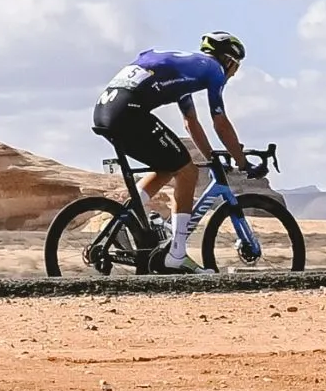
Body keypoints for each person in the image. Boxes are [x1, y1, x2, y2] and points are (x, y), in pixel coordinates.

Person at [94, 33, 251, 271]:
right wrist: (241, 160)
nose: (234, 74)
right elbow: (220, 121)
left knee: (168, 167)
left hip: (105, 111)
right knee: (187, 172)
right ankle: (176, 255)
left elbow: (191, 122)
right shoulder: (213, 70)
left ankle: (122, 220)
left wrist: (210, 157)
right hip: (129, 112)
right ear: (228, 60)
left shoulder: (186, 71)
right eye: (236, 68)